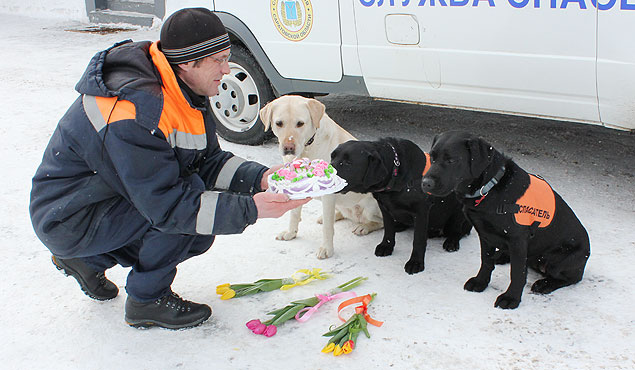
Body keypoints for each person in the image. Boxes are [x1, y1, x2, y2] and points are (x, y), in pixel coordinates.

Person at [29, 8, 309, 330]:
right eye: (218, 60)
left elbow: (205, 161)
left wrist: (261, 177)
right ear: (189, 63)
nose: (227, 68)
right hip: (68, 216)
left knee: (199, 226)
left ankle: (87, 260)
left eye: (227, 56)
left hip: (102, 202)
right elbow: (167, 206)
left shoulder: (181, 88)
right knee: (190, 207)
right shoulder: (136, 110)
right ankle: (147, 301)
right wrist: (251, 209)